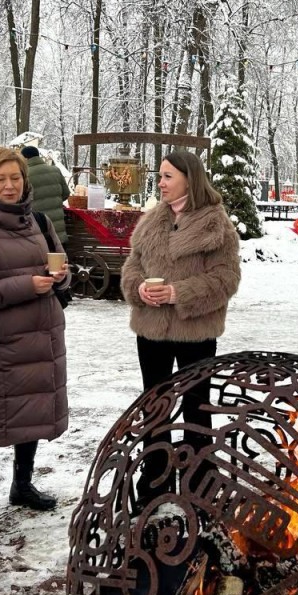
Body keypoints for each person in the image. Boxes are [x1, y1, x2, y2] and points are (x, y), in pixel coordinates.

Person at [0, 146, 71, 528]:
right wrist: (26, 286)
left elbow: (61, 263)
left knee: (32, 408)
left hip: (40, 336)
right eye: (0, 179)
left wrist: (62, 277)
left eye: (15, 178)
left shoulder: (36, 218)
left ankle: (22, 484)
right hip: (0, 341)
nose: (9, 186)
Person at [120, 150, 241, 506]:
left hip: (195, 332)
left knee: (197, 407)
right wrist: (139, 288)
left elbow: (226, 279)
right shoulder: (151, 220)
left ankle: (198, 481)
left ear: (190, 178)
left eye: (168, 176)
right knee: (154, 406)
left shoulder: (215, 223)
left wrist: (178, 292)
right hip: (152, 331)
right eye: (160, 175)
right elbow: (132, 265)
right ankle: (154, 480)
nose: (161, 182)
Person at [23, 145, 71, 244]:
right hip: (58, 230)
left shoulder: (25, 175)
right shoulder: (55, 170)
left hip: (38, 229)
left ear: (25, 158)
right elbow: (66, 193)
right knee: (59, 258)